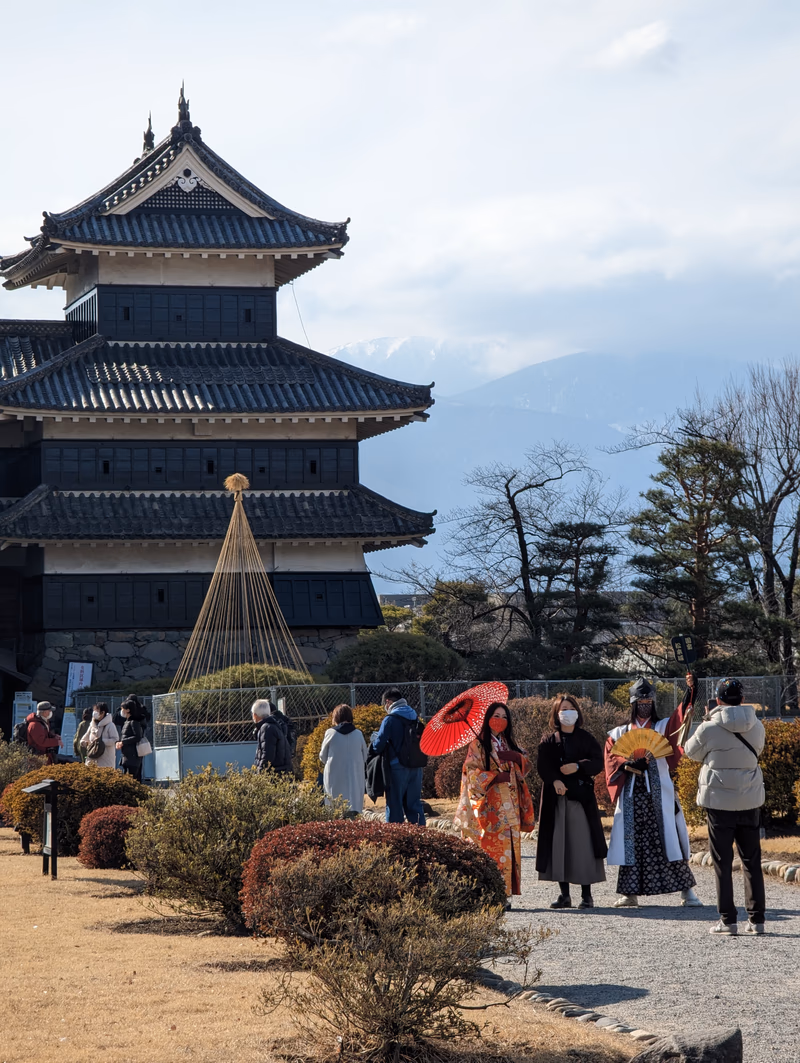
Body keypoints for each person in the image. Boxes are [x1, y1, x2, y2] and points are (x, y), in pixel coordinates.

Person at [605, 676, 702, 908]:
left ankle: (687, 891)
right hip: (631, 794)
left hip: (660, 792)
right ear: (632, 703)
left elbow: (681, 719)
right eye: (640, 700)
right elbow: (611, 758)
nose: (644, 704)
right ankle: (630, 893)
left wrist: (691, 692)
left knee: (670, 836)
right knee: (631, 842)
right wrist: (628, 764)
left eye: (648, 700)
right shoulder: (619, 733)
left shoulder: (662, 726)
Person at [684, 678, 766, 935]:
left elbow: (690, 752)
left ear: (718, 700)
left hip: (719, 801)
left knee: (722, 861)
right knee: (752, 860)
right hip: (750, 798)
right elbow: (758, 751)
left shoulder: (709, 727)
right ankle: (757, 920)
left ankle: (728, 920)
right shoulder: (757, 725)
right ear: (742, 699)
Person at [454, 702, 535, 902]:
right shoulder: (478, 744)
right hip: (490, 807)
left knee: (510, 848)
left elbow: (526, 767)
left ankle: (505, 894)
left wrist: (517, 758)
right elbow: (471, 772)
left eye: (505, 717)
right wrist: (493, 777)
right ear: (488, 718)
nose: (500, 720)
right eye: (496, 715)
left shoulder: (509, 742)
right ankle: (490, 894)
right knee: (490, 848)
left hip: (511, 803)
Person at [536, 694, 607, 909]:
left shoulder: (586, 738)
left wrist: (578, 766)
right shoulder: (549, 740)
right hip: (556, 800)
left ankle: (587, 895)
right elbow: (543, 766)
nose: (568, 712)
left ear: (577, 711)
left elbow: (598, 762)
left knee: (583, 844)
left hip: (580, 800)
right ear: (556, 714)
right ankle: (564, 895)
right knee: (559, 845)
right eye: (563, 708)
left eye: (571, 708)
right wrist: (555, 780)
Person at [370, 687, 426, 825]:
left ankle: (396, 839)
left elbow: (378, 745)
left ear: (388, 702)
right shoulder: (415, 717)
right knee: (414, 804)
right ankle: (421, 836)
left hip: (396, 767)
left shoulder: (390, 719)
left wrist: (374, 740)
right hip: (416, 766)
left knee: (394, 804)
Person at [319, 704, 368, 812]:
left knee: (334, 805)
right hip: (355, 775)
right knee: (354, 803)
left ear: (336, 717)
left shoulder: (330, 733)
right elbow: (365, 756)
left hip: (334, 775)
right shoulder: (358, 734)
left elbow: (322, 756)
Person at [251, 700, 293, 773]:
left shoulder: (266, 728)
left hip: (274, 773)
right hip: (282, 771)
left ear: (255, 715)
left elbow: (267, 755)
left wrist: (259, 773)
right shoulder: (274, 725)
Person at [80, 703, 119, 768]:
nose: (94, 713)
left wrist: (100, 741)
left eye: (97, 711)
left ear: (102, 712)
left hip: (105, 760)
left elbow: (115, 739)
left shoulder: (110, 725)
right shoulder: (92, 725)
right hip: (91, 758)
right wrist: (84, 743)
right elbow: (84, 738)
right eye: (94, 710)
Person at [116, 699, 145, 780]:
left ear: (128, 710)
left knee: (131, 779)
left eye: (122, 709)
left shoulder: (134, 722)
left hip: (132, 756)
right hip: (127, 755)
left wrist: (123, 742)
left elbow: (137, 737)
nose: (121, 711)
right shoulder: (127, 722)